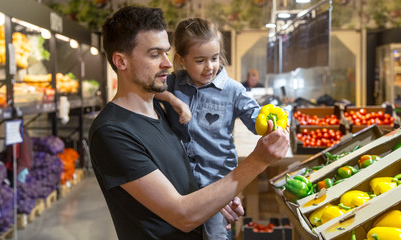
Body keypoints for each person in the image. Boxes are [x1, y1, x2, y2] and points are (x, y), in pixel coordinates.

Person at [89, 6, 290, 240]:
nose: (167, 63)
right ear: (120, 61)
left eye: (166, 52)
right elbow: (183, 214)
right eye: (155, 54)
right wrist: (258, 160)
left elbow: (185, 183)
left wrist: (217, 197)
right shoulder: (113, 132)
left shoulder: (159, 112)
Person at [154, 18, 265, 239]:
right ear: (181, 59)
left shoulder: (232, 90)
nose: (209, 66)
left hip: (217, 183)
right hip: (180, 182)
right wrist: (175, 101)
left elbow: (256, 120)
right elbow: (149, 89)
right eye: (200, 60)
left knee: (216, 236)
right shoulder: (175, 82)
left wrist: (271, 122)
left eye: (214, 58)